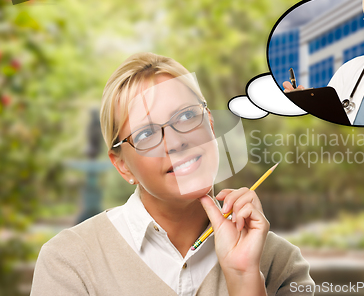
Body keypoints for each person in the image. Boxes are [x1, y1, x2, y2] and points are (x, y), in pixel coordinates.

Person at [30, 52, 314, 296]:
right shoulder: (69, 262)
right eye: (146, 133)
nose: (176, 141)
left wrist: (244, 280)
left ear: (210, 125)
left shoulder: (280, 262)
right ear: (122, 166)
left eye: (187, 116)